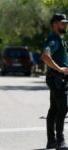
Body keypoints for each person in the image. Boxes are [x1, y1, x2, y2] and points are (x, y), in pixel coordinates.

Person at [41, 13, 68, 149]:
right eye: (63, 23)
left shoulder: (58, 39)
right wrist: (60, 69)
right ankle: (60, 140)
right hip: (57, 79)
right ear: (55, 24)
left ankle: (51, 141)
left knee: (54, 109)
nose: (66, 25)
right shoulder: (54, 39)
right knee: (63, 108)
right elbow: (45, 56)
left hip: (56, 78)